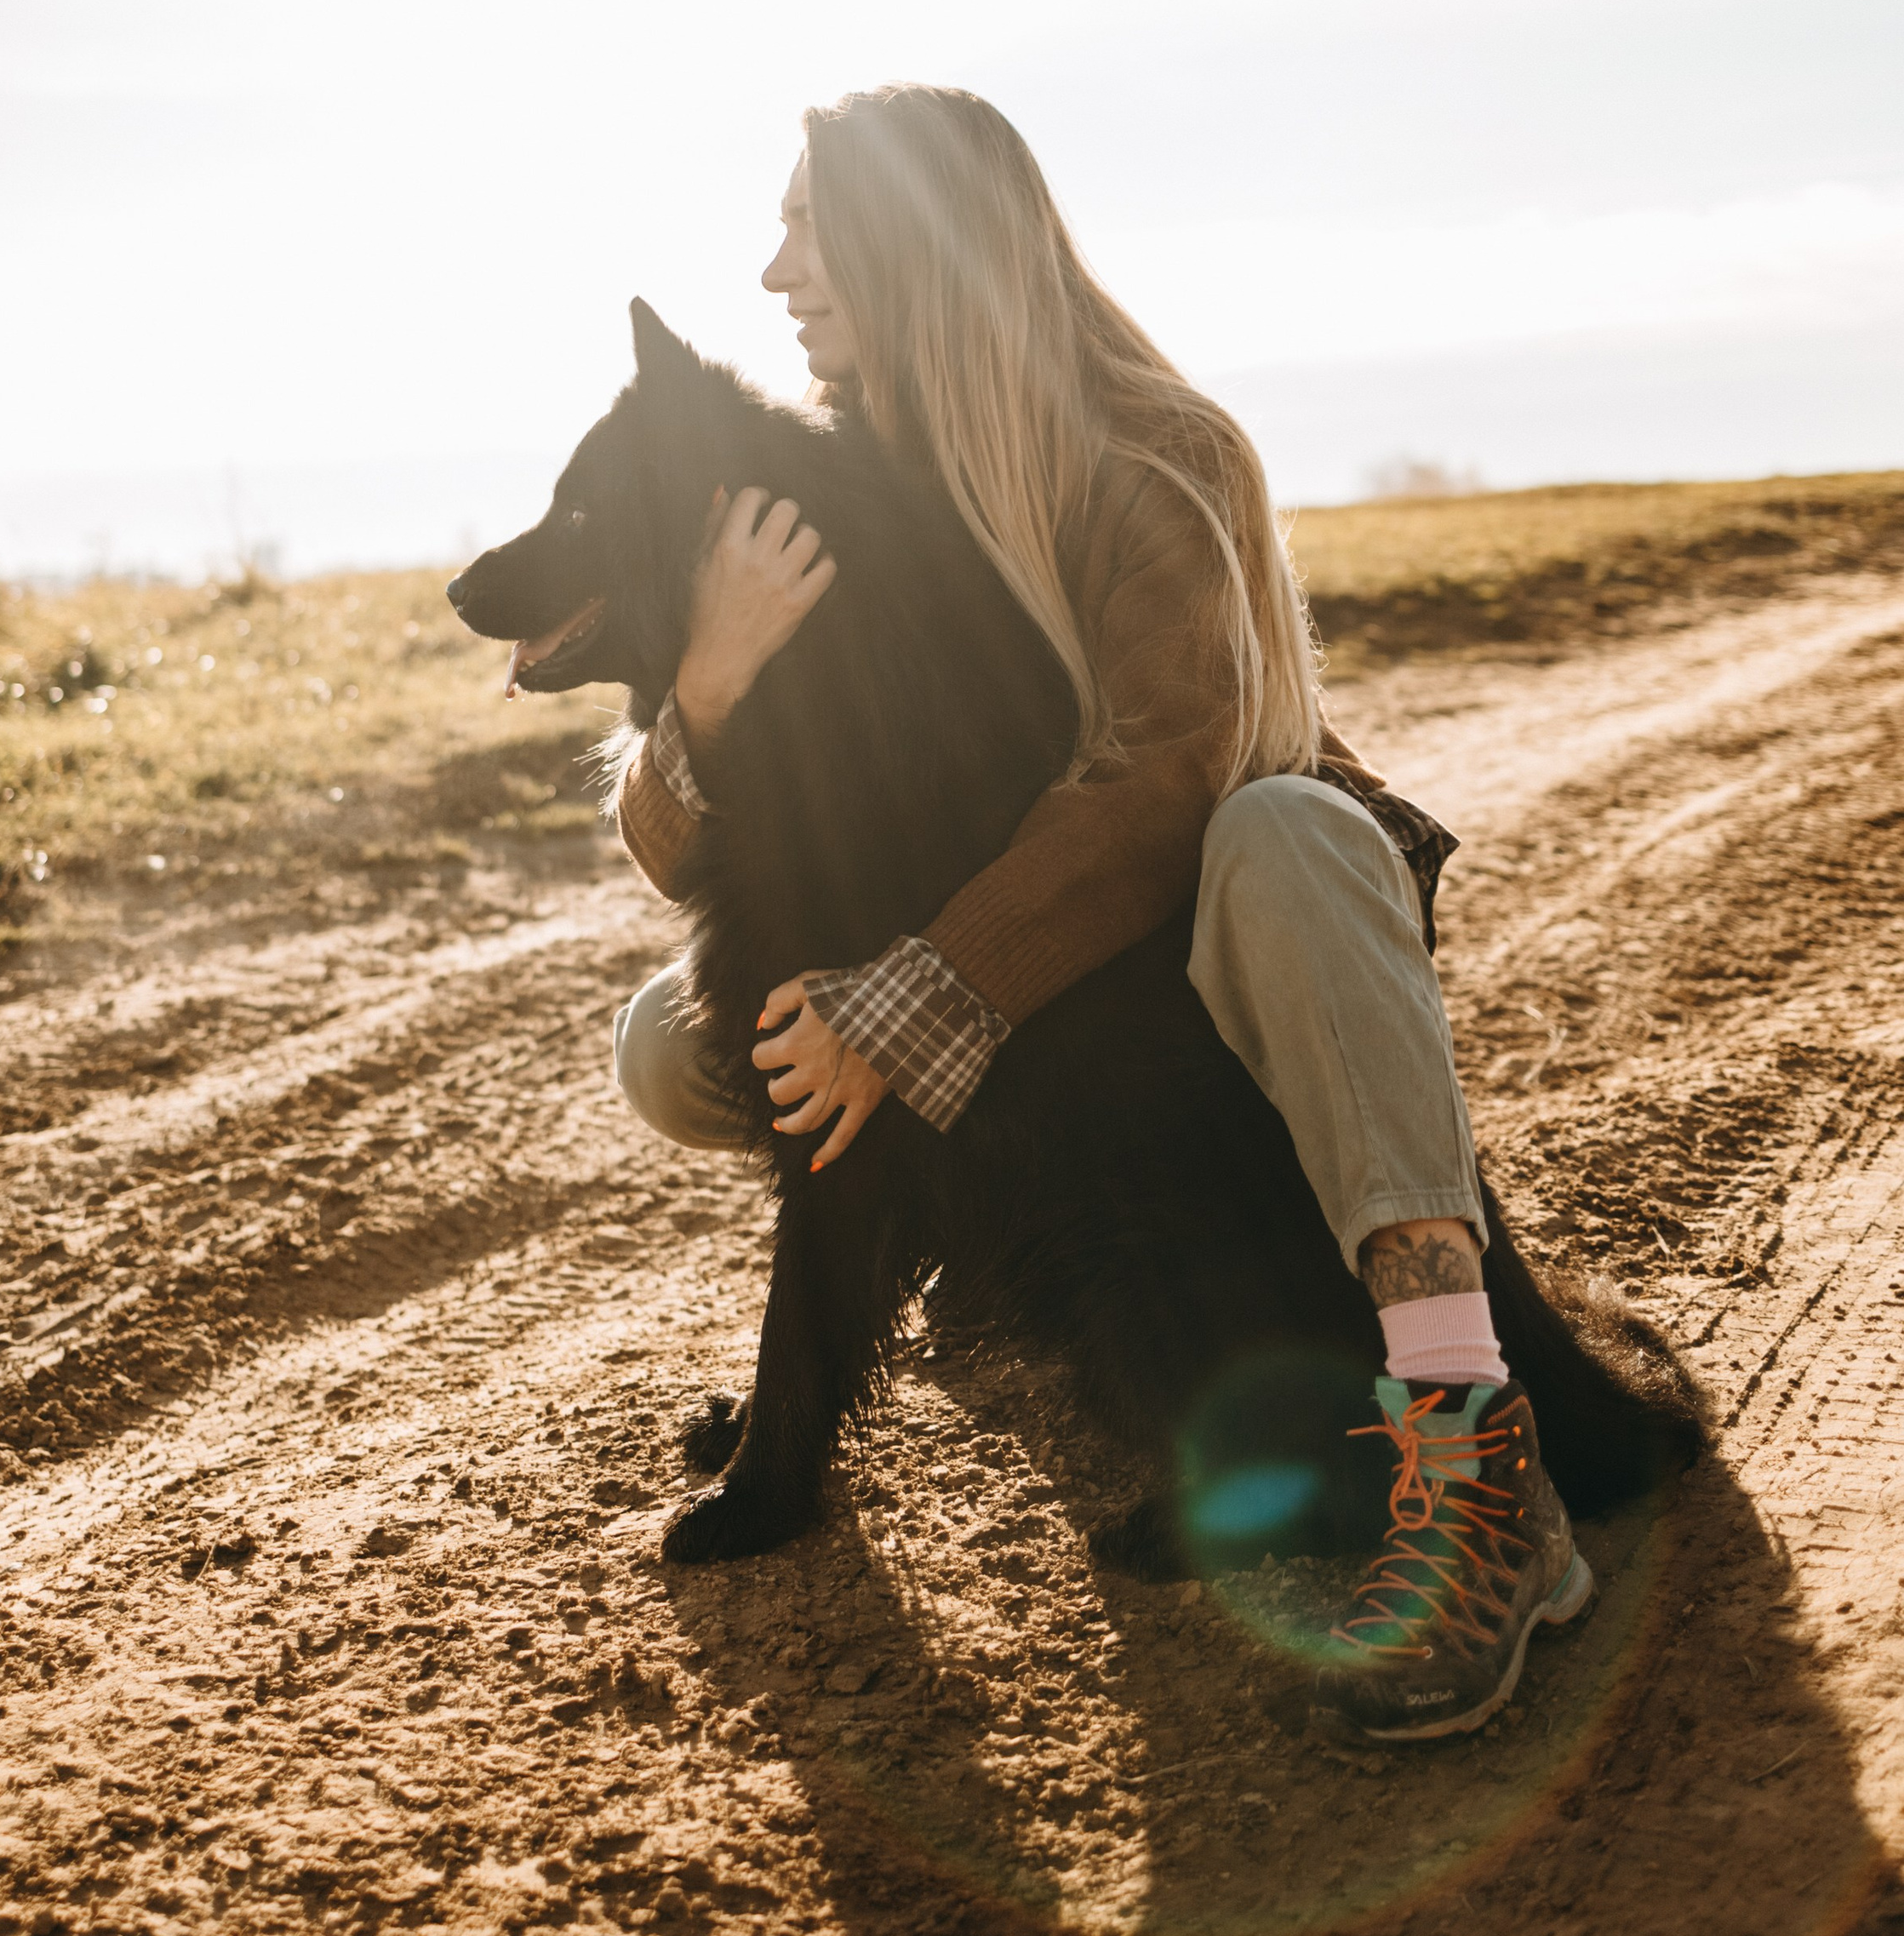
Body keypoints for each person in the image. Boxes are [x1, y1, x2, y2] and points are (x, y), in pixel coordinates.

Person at [608, 83, 1590, 1743]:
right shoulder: (845, 484)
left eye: (806, 224)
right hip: (1050, 1021)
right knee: (671, 1044)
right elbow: (696, 846)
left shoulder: (1154, 457)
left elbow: (1162, 783)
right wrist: (704, 684)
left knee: (1278, 831)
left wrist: (901, 1010)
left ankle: (1466, 1447)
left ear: (914, 245)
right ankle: (994, 1269)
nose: (773, 272)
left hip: (1226, 980)